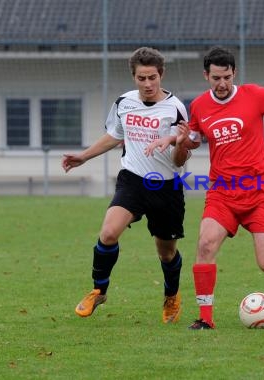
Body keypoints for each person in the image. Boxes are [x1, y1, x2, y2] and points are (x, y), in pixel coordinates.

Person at [154, 46, 264, 330]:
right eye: (216, 78)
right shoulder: (200, 107)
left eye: (227, 77)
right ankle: (206, 319)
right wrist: (179, 142)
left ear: (234, 73)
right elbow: (183, 155)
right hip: (222, 193)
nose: (222, 84)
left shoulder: (254, 95)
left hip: (259, 192)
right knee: (205, 244)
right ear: (206, 76)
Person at [62, 47, 191, 324]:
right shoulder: (124, 102)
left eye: (152, 78)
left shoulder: (176, 108)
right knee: (108, 233)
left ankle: (171, 295)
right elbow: (113, 136)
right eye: (141, 78)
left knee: (166, 252)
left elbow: (182, 158)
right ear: (133, 77)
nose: (147, 84)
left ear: (161, 75)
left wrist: (179, 144)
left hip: (166, 187)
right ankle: (99, 290)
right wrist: (83, 156)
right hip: (132, 181)